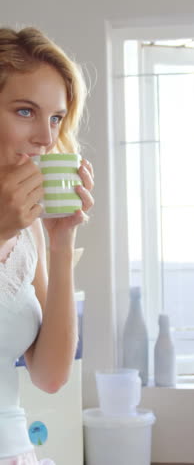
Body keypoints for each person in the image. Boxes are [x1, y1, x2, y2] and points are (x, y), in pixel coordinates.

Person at [0, 26, 94, 464]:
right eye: (25, 111)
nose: (45, 137)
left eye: (56, 118)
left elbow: (51, 376)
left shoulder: (30, 230)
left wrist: (60, 240)